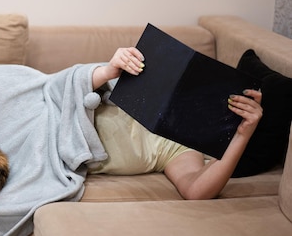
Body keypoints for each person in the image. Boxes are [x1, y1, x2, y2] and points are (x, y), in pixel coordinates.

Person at [89, 46, 263, 200]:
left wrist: (242, 134)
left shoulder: (179, 148)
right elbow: (68, 85)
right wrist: (106, 72)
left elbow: (195, 191)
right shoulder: (148, 84)